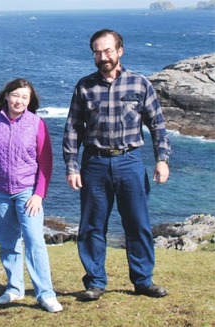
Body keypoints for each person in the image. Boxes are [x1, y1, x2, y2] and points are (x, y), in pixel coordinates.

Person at [63, 29, 171, 301]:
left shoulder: (139, 84)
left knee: (138, 225)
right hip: (94, 163)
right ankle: (95, 282)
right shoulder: (84, 86)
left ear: (120, 51)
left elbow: (157, 124)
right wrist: (71, 166)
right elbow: (73, 128)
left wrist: (162, 159)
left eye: (108, 50)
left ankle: (143, 280)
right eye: (97, 52)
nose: (103, 56)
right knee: (91, 227)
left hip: (130, 161)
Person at [0, 78, 63, 313]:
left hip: (27, 193)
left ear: (30, 101)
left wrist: (39, 195)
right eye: (16, 95)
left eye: (25, 97)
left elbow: (46, 163)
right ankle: (14, 288)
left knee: (35, 241)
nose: (19, 101)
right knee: (7, 242)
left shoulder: (37, 123)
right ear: (6, 96)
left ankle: (46, 294)